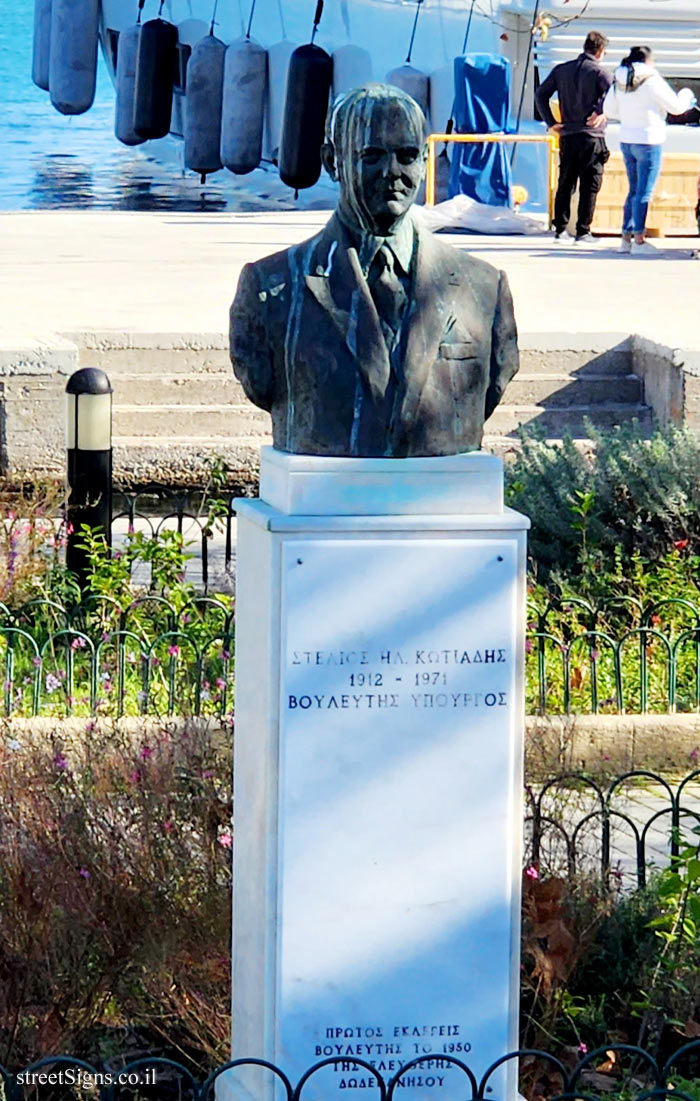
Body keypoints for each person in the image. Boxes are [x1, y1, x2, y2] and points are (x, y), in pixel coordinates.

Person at [229, 83, 519, 458]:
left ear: (425, 161)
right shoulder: (272, 288)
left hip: (441, 490)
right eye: (372, 156)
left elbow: (492, 384)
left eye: (407, 155)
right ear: (332, 162)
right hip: (319, 492)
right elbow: (262, 383)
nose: (392, 172)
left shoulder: (484, 288)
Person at [603, 46, 696, 254]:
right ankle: (639, 240)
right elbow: (676, 108)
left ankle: (625, 239)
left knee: (633, 190)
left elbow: (608, 110)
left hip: (626, 138)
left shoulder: (619, 79)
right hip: (649, 139)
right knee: (644, 192)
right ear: (647, 60)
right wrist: (686, 96)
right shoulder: (652, 79)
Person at [535, 30, 612, 244]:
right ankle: (583, 230)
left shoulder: (562, 70)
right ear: (601, 52)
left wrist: (552, 122)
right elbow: (614, 97)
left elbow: (540, 94)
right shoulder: (600, 73)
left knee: (566, 183)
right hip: (592, 136)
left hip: (567, 134)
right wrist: (601, 112)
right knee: (590, 184)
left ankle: (560, 229)